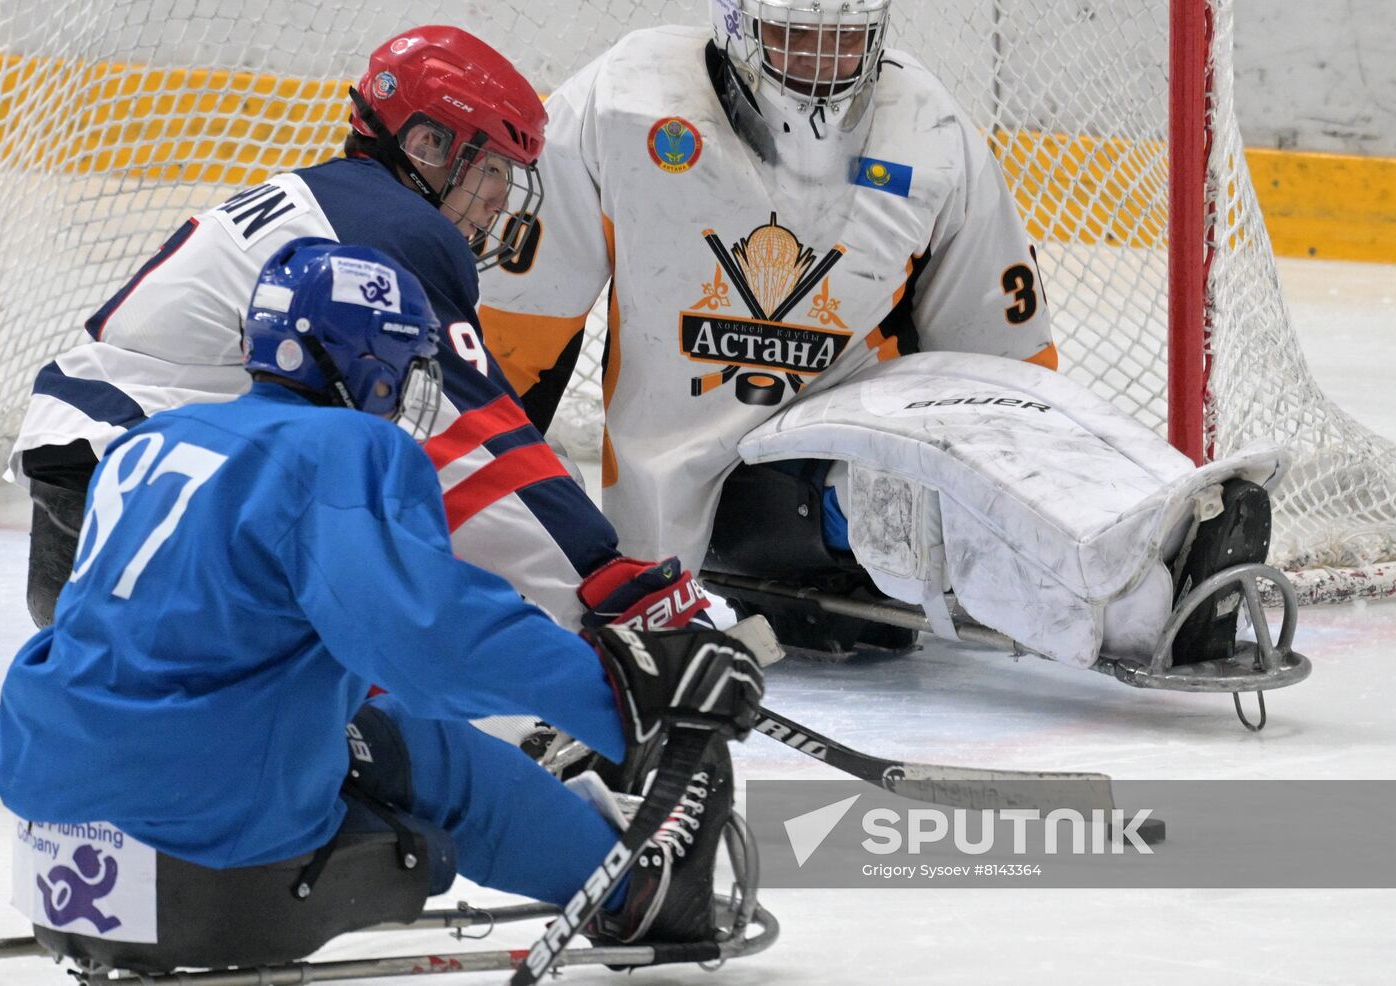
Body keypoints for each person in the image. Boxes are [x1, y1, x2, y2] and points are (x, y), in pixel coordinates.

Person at [0, 241, 764, 964]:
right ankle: (638, 891)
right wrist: (629, 700)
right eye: (403, 361)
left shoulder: (150, 437)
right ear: (368, 362)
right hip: (205, 814)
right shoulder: (344, 446)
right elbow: (432, 641)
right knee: (422, 744)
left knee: (357, 716)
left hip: (47, 781)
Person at [477, 0, 1279, 671]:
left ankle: (1167, 532)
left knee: (945, 478)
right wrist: (473, 527)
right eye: (796, 37)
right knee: (895, 500)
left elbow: (1008, 374)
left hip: (859, 435)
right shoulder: (622, 105)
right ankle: (1148, 609)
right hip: (703, 496)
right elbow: (518, 344)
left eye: (845, 40)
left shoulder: (930, 132)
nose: (822, 65)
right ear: (735, 23)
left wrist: (1036, 476)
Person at [9, 25, 707, 645]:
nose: (499, 197)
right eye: (490, 166)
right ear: (427, 144)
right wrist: (602, 578)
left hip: (103, 491)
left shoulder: (333, 200)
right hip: (146, 514)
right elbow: (479, 435)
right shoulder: (394, 231)